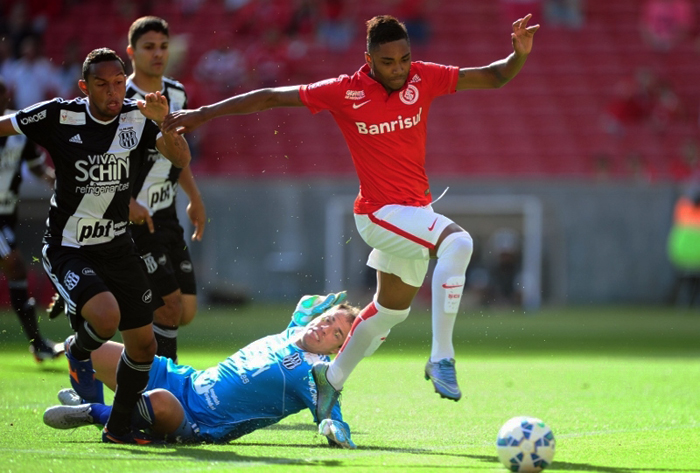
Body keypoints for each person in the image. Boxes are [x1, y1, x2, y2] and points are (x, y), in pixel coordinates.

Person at [163, 14, 539, 423]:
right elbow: (270, 95)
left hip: (415, 213)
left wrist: (517, 54)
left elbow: (494, 76)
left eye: (404, 59)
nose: (399, 69)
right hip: (378, 214)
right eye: (388, 61)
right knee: (459, 242)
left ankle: (331, 378)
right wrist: (202, 114)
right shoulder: (345, 91)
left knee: (390, 312)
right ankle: (441, 357)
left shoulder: (423, 78)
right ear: (369, 59)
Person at [0, 47, 191, 443]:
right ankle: (77, 350)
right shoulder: (58, 114)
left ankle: (118, 428)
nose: (113, 92)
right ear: (85, 87)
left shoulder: (139, 117)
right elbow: (7, 124)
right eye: (102, 85)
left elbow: (180, 158)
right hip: (68, 245)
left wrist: (165, 125)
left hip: (118, 245)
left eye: (119, 83)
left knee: (144, 344)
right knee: (105, 319)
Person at [43, 292, 358, 448]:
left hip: (197, 422)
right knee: (84, 347)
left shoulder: (317, 376)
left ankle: (93, 412)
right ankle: (95, 403)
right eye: (329, 319)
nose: (326, 328)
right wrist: (307, 308)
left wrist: (335, 430)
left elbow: (334, 420)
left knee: (158, 401)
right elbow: (303, 314)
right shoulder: (294, 331)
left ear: (337, 350)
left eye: (337, 334)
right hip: (185, 380)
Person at [125, 16, 206, 362]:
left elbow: (177, 153)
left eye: (162, 47)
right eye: (148, 47)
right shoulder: (121, 99)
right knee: (169, 307)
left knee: (186, 311)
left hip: (167, 212)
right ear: (131, 52)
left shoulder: (176, 92)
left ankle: (110, 298)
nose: (157, 54)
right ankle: (164, 392)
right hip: (135, 220)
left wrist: (195, 198)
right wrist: (125, 201)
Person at [0, 76, 61, 362]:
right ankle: (37, 343)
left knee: (17, 270)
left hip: (7, 216)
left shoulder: (17, 129)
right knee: (15, 265)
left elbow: (36, 166)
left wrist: (54, 179)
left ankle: (37, 344)